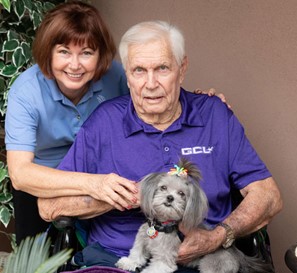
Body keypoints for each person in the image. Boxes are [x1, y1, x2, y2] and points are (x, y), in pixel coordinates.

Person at [37, 20, 283, 273]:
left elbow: (269, 196)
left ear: (182, 68)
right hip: (118, 261)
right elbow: (49, 207)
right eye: (139, 71)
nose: (151, 83)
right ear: (127, 76)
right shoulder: (105, 121)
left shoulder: (214, 115)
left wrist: (219, 236)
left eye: (162, 68)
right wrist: (116, 195)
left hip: (202, 260)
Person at [5, 1, 218, 244]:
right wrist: (93, 183)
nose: (75, 65)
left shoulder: (115, 76)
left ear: (100, 56)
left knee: (86, 248)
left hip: (99, 171)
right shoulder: (26, 92)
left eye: (86, 53)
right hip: (45, 179)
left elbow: (153, 96)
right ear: (48, 52)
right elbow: (20, 173)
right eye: (64, 51)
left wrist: (201, 103)